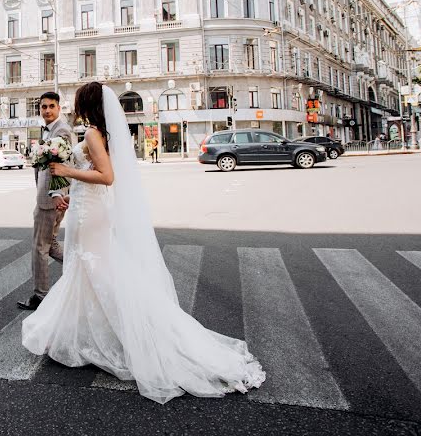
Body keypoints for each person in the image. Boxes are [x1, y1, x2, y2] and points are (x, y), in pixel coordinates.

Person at [21, 82, 265, 404]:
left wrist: (66, 170)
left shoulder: (93, 135)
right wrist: (68, 193)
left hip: (91, 214)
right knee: (84, 271)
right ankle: (83, 335)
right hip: (84, 207)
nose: (74, 104)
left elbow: (107, 177)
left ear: (87, 103)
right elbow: (91, 173)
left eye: (78, 99)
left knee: (96, 270)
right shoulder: (96, 132)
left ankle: (127, 334)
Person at [17, 91, 76, 311]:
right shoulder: (50, 130)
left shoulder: (61, 131)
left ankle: (41, 296)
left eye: (52, 106)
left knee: (39, 248)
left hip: (51, 198)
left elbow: (62, 166)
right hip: (51, 196)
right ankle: (80, 266)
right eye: (43, 107)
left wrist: (55, 195)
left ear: (59, 108)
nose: (47, 110)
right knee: (50, 245)